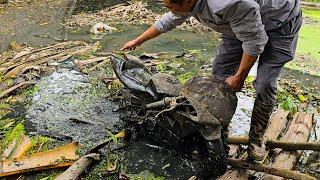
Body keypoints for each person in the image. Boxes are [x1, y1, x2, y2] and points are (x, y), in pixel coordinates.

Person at [121, 0, 302, 162]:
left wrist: (240, 77)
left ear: (189, 2)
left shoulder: (227, 4)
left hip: (279, 23)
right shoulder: (188, 4)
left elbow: (254, 42)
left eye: (170, 5)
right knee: (220, 75)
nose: (166, 8)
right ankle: (220, 134)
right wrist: (137, 40)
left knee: (265, 83)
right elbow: (170, 18)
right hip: (237, 24)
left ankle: (256, 140)